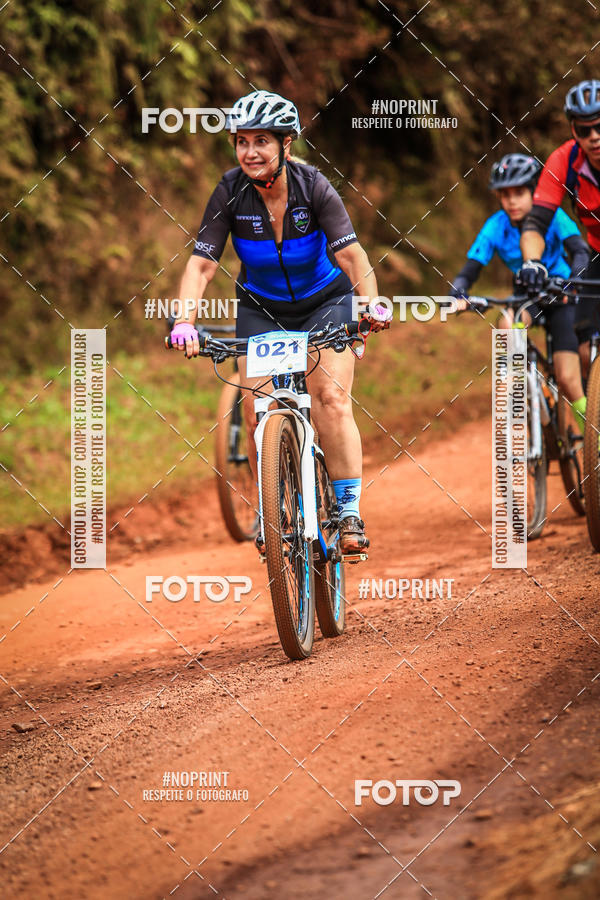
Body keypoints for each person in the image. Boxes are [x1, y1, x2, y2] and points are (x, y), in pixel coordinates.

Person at [169, 90, 385, 555]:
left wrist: (370, 303)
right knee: (258, 409)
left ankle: (347, 510)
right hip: (260, 308)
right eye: (241, 141)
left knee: (330, 395)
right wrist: (184, 320)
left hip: (324, 302)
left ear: (286, 145)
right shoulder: (229, 192)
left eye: (261, 141)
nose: (249, 152)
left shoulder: (314, 187)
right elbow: (202, 265)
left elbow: (351, 255)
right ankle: (275, 506)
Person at [451, 152, 589, 432]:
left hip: (562, 291)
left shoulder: (554, 216)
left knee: (567, 376)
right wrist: (459, 292)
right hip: (527, 293)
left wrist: (575, 282)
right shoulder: (495, 226)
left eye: (519, 192)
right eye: (505, 195)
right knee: (507, 324)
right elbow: (471, 268)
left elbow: (579, 251)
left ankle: (591, 437)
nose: (511, 201)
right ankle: (524, 389)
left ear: (534, 191)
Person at [520, 78, 600, 400]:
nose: (594, 137)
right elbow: (536, 222)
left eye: (599, 126)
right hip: (597, 252)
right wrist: (532, 263)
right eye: (584, 130)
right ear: (573, 130)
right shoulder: (564, 161)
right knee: (584, 351)